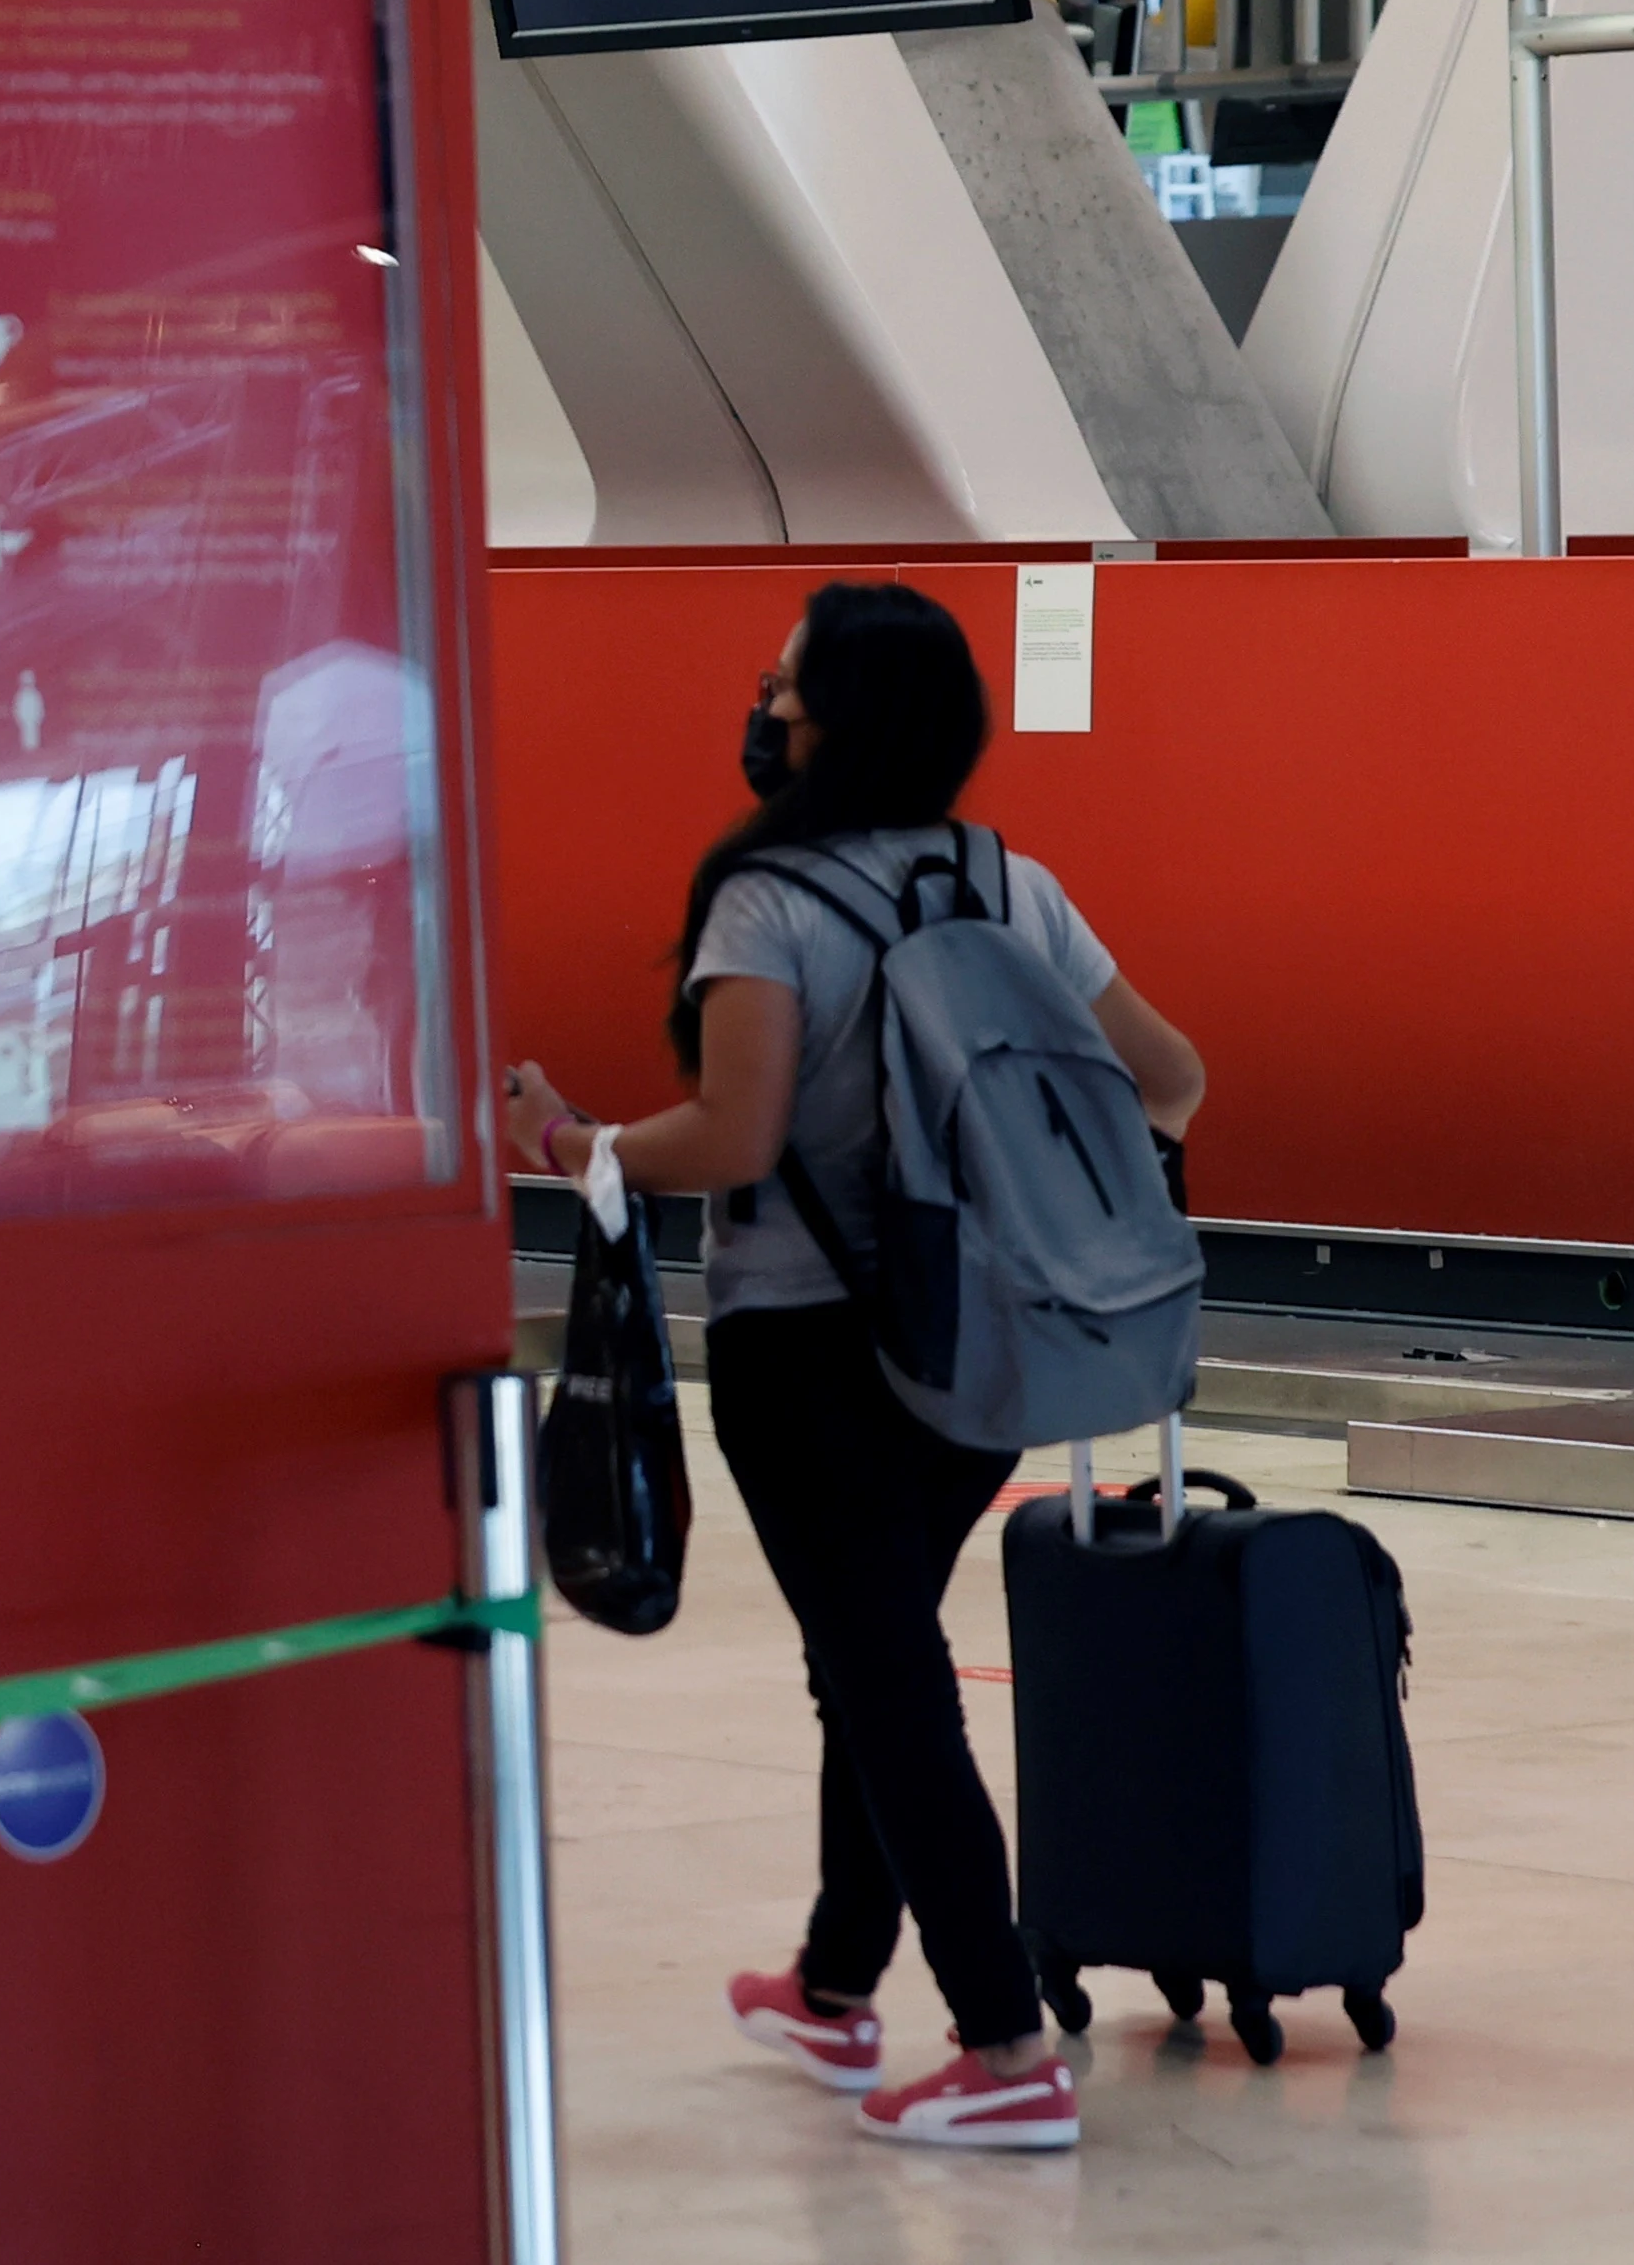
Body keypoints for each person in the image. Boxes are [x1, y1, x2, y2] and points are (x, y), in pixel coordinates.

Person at [498, 579, 1206, 2156]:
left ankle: (1005, 2042)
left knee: (882, 1670)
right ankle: (832, 1980)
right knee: (869, 1647)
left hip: (810, 1352)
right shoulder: (1009, 883)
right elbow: (1173, 1078)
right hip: (987, 1358)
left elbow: (730, 1137)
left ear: (833, 721)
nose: (768, 706)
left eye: (786, 683)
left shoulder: (769, 903)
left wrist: (563, 1140)